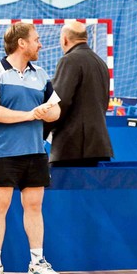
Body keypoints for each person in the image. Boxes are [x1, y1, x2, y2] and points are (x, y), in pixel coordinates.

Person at [0, 22, 64, 274]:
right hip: (4, 153)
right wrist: (29, 115)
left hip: (35, 152)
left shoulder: (41, 75)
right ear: (22, 43)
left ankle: (37, 262)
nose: (40, 45)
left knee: (34, 206)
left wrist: (46, 111)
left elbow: (56, 110)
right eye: (36, 40)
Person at [48, 20, 113, 167]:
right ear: (85, 37)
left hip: (72, 148)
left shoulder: (69, 60)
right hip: (99, 146)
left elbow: (60, 102)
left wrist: (40, 132)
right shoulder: (101, 63)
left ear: (65, 39)